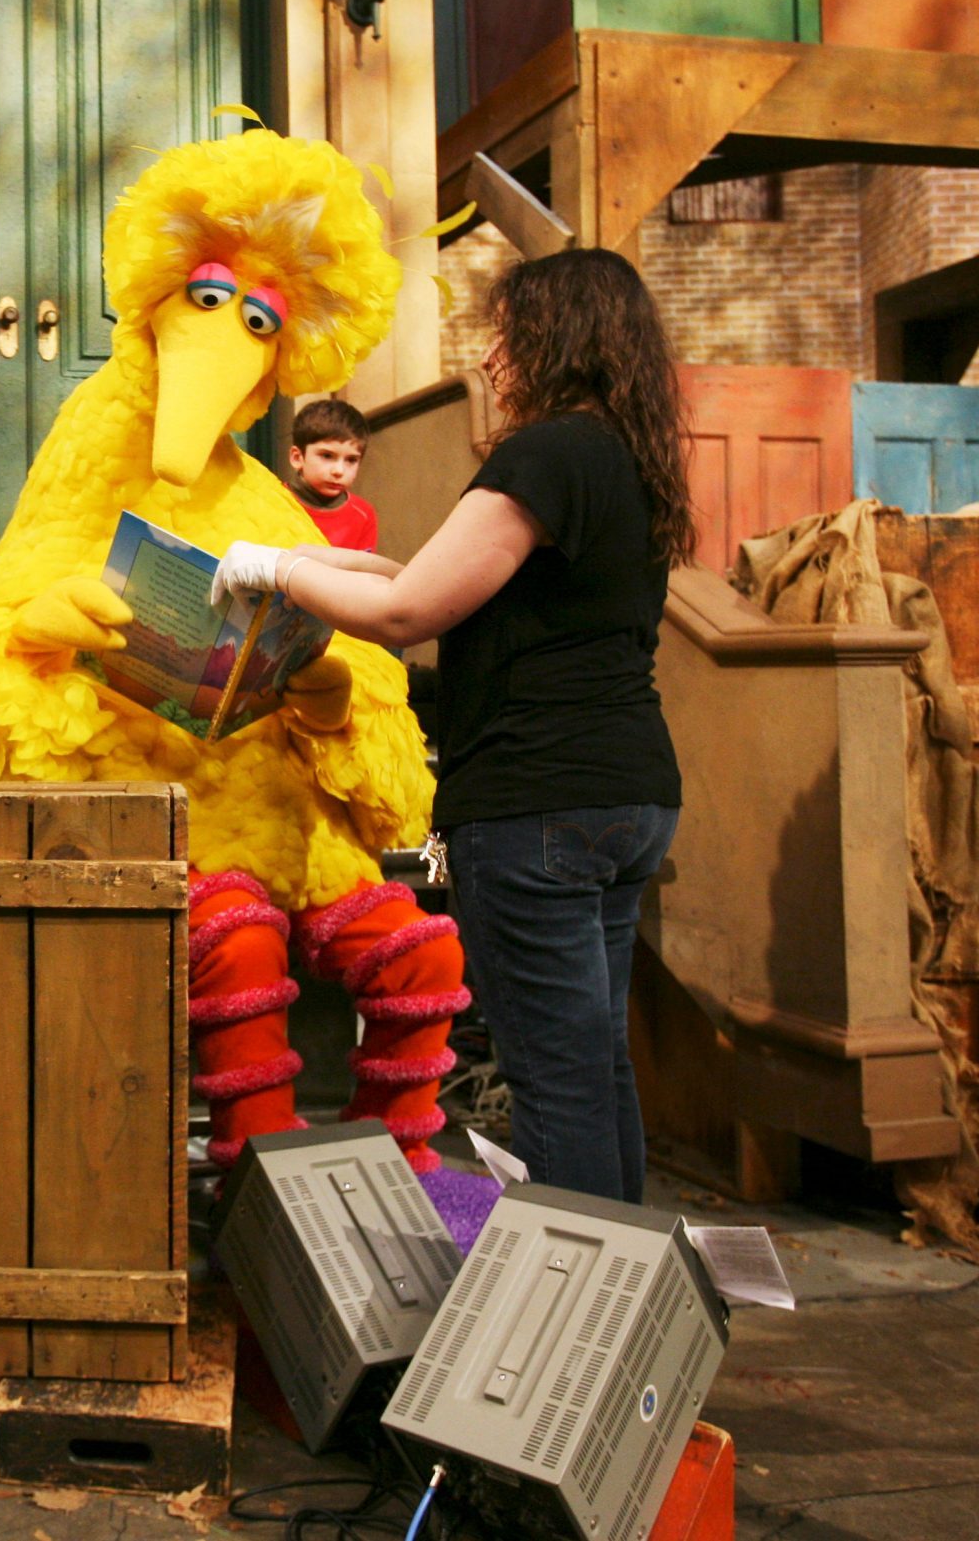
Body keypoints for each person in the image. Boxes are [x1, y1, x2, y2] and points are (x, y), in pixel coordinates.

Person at [210, 249, 691, 1204]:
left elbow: (407, 612)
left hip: (540, 803)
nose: (495, 359)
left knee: (555, 1086)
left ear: (559, 342)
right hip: (629, 795)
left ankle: (572, 1319)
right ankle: (629, 1305)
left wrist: (270, 570)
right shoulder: (629, 457)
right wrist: (328, 569)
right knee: (597, 1072)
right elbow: (441, 585)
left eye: (510, 337)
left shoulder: (545, 453)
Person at [286, 397, 382, 551]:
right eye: (327, 456)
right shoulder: (274, 501)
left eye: (351, 460)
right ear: (297, 458)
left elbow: (361, 572)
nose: (339, 471)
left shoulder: (363, 514)